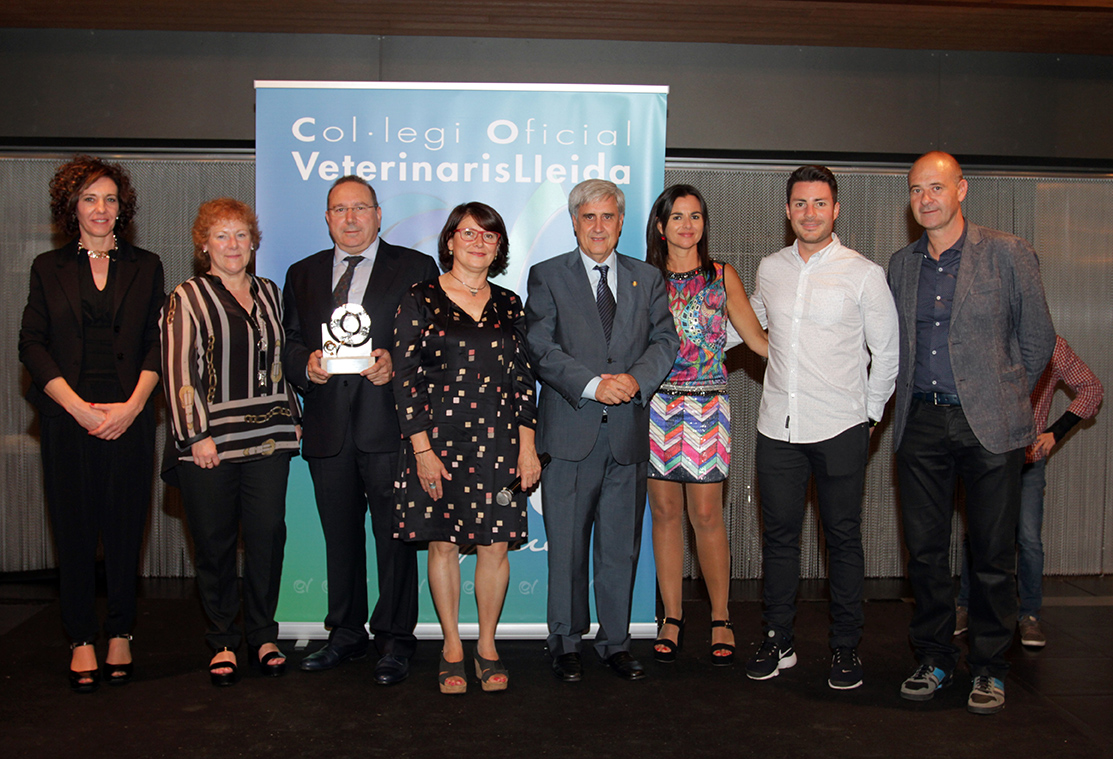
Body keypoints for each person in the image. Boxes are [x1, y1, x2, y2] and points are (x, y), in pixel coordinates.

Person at [889, 151, 1055, 715]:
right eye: (916, 190)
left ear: (962, 189)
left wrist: (1003, 397)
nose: (925, 199)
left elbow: (1037, 344)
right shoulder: (901, 264)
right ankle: (934, 658)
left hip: (991, 425)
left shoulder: (1008, 254)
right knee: (928, 555)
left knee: (992, 554)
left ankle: (988, 666)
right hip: (920, 423)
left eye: (935, 188)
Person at [744, 165, 899, 690]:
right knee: (781, 540)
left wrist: (868, 418)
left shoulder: (863, 273)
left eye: (819, 203)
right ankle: (778, 637)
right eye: (800, 203)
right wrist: (686, 343)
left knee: (843, 540)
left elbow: (889, 354)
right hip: (777, 429)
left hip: (840, 427)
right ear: (787, 210)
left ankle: (845, 647)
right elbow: (753, 324)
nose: (809, 213)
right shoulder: (769, 268)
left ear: (836, 209)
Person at [283, 176, 440, 683]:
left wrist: (395, 362)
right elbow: (287, 342)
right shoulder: (302, 273)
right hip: (328, 428)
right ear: (327, 218)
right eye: (339, 210)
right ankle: (345, 634)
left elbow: (432, 344)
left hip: (391, 429)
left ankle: (395, 639)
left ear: (377, 214)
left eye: (360, 209)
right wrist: (304, 364)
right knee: (340, 539)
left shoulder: (415, 268)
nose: (349, 219)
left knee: (396, 540)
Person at [18, 155, 164, 693]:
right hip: (66, 416)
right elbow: (30, 344)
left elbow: (157, 342)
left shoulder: (147, 265)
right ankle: (81, 636)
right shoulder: (46, 267)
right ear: (71, 207)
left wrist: (130, 408)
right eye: (89, 198)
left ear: (121, 208)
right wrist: (77, 408)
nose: (101, 209)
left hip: (130, 414)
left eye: (109, 199)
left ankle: (121, 629)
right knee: (74, 529)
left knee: (126, 528)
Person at [526, 179, 679, 683]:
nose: (598, 227)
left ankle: (615, 642)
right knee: (567, 547)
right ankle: (565, 642)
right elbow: (541, 348)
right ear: (574, 222)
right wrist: (593, 385)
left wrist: (635, 381)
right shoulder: (547, 276)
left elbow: (665, 340)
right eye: (588, 217)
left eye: (607, 217)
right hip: (571, 433)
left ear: (620, 222)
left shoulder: (646, 278)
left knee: (619, 547)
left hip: (628, 436)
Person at [392, 202, 541, 694]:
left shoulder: (509, 303)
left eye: (490, 236)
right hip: (438, 441)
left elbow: (523, 381)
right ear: (450, 240)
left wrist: (528, 447)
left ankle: (489, 645)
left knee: (495, 546)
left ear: (499, 247)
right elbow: (406, 378)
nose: (479, 242)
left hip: (499, 441)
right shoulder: (420, 297)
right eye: (469, 233)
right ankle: (452, 646)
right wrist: (421, 449)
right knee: (444, 542)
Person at [161, 198, 302, 686]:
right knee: (216, 544)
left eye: (241, 234)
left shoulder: (271, 292)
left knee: (267, 539)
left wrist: (294, 417)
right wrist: (195, 434)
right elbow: (179, 369)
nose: (233, 244)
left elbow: (280, 362)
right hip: (211, 444)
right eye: (221, 235)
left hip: (269, 439)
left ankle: (263, 634)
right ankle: (222, 639)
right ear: (204, 245)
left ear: (254, 242)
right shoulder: (188, 296)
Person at [643, 185, 768, 666]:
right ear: (661, 225)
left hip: (707, 408)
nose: (687, 225)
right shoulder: (645, 279)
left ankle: (721, 616)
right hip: (655, 408)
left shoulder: (722, 276)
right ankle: (671, 617)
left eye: (695, 216)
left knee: (708, 516)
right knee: (665, 514)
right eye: (677, 216)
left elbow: (757, 341)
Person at [955, 335, 1103, 646]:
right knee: (978, 534)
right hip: (989, 457)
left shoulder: (1054, 347)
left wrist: (1055, 432)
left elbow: (1092, 389)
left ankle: (1029, 615)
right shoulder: (992, 342)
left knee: (1029, 539)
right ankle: (966, 606)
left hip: (1028, 460)